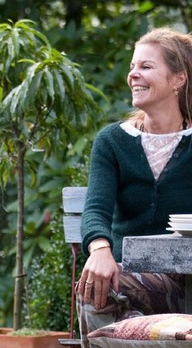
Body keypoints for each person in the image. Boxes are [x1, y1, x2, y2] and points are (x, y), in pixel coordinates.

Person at [77, 27, 192, 346]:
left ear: (178, 79)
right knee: (94, 286)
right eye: (132, 67)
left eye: (146, 66)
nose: (134, 75)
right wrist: (100, 249)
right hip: (131, 278)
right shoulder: (113, 142)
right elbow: (96, 209)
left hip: (187, 280)